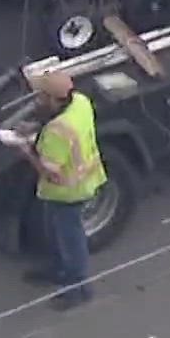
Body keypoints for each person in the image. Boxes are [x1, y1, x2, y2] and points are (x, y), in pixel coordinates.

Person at [15, 71, 106, 309]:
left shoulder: (58, 131)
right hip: (83, 180)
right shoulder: (80, 102)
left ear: (55, 99)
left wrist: (27, 153)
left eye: (42, 96)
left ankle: (79, 289)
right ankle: (58, 269)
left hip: (67, 192)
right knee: (55, 232)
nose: (38, 101)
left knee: (70, 240)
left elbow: (50, 173)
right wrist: (36, 126)